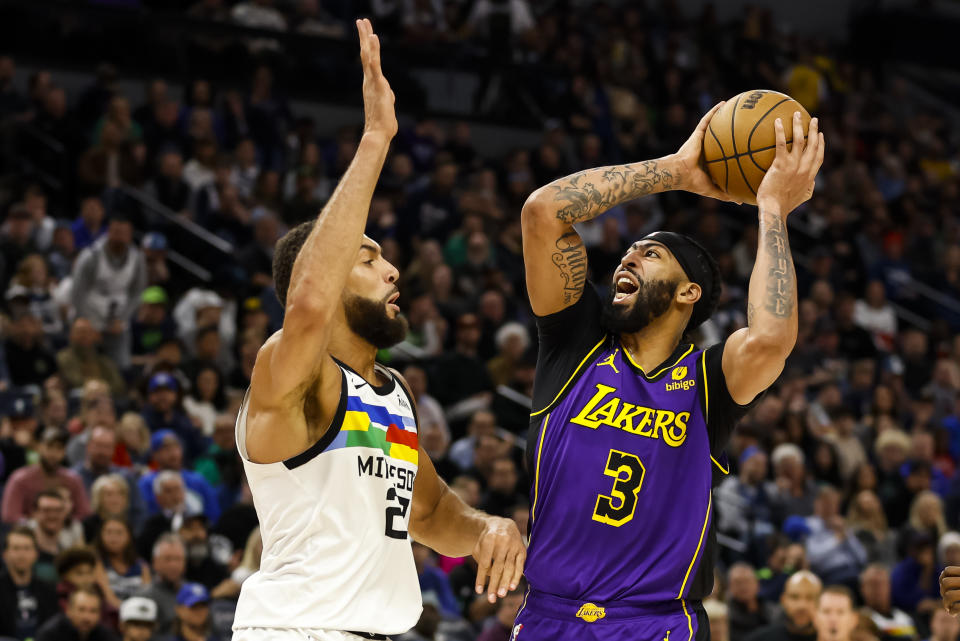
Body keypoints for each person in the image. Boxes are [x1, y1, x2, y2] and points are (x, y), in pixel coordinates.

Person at [232, 20, 524, 641]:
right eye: (366, 259)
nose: (391, 269)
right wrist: (375, 140)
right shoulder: (293, 374)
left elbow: (432, 509)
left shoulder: (392, 392)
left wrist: (484, 530)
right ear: (328, 274)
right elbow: (308, 305)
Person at [514, 91, 823, 636]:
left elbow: (772, 338)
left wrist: (771, 208)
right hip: (549, 615)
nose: (628, 256)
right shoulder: (575, 343)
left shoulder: (710, 383)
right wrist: (677, 170)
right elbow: (543, 212)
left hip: (654, 623)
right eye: (629, 250)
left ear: (688, 294)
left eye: (651, 254)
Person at [2, 427, 91, 524]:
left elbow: (84, 514)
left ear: (64, 451)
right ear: (39, 447)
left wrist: (62, 524)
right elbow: (10, 516)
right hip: (30, 534)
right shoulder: (20, 478)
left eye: (59, 448)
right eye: (49, 446)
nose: (53, 453)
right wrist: (38, 524)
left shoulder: (73, 480)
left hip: (65, 535)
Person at [0, 526, 58, 640]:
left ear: (36, 554)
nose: (21, 554)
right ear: (5, 555)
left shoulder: (48, 590)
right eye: (16, 548)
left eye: (27, 548)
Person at [746, 571, 823, 641]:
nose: (802, 605)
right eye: (794, 597)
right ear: (783, 600)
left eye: (810, 598)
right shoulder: (760, 638)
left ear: (821, 602)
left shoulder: (831, 637)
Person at [137, 534, 187, 636]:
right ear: (155, 562)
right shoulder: (143, 597)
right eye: (168, 559)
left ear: (184, 563)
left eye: (178, 559)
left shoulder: (195, 594)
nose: (173, 565)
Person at [36, 587, 118, 641]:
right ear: (68, 610)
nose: (87, 617)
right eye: (81, 610)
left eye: (93, 611)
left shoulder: (104, 634)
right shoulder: (50, 634)